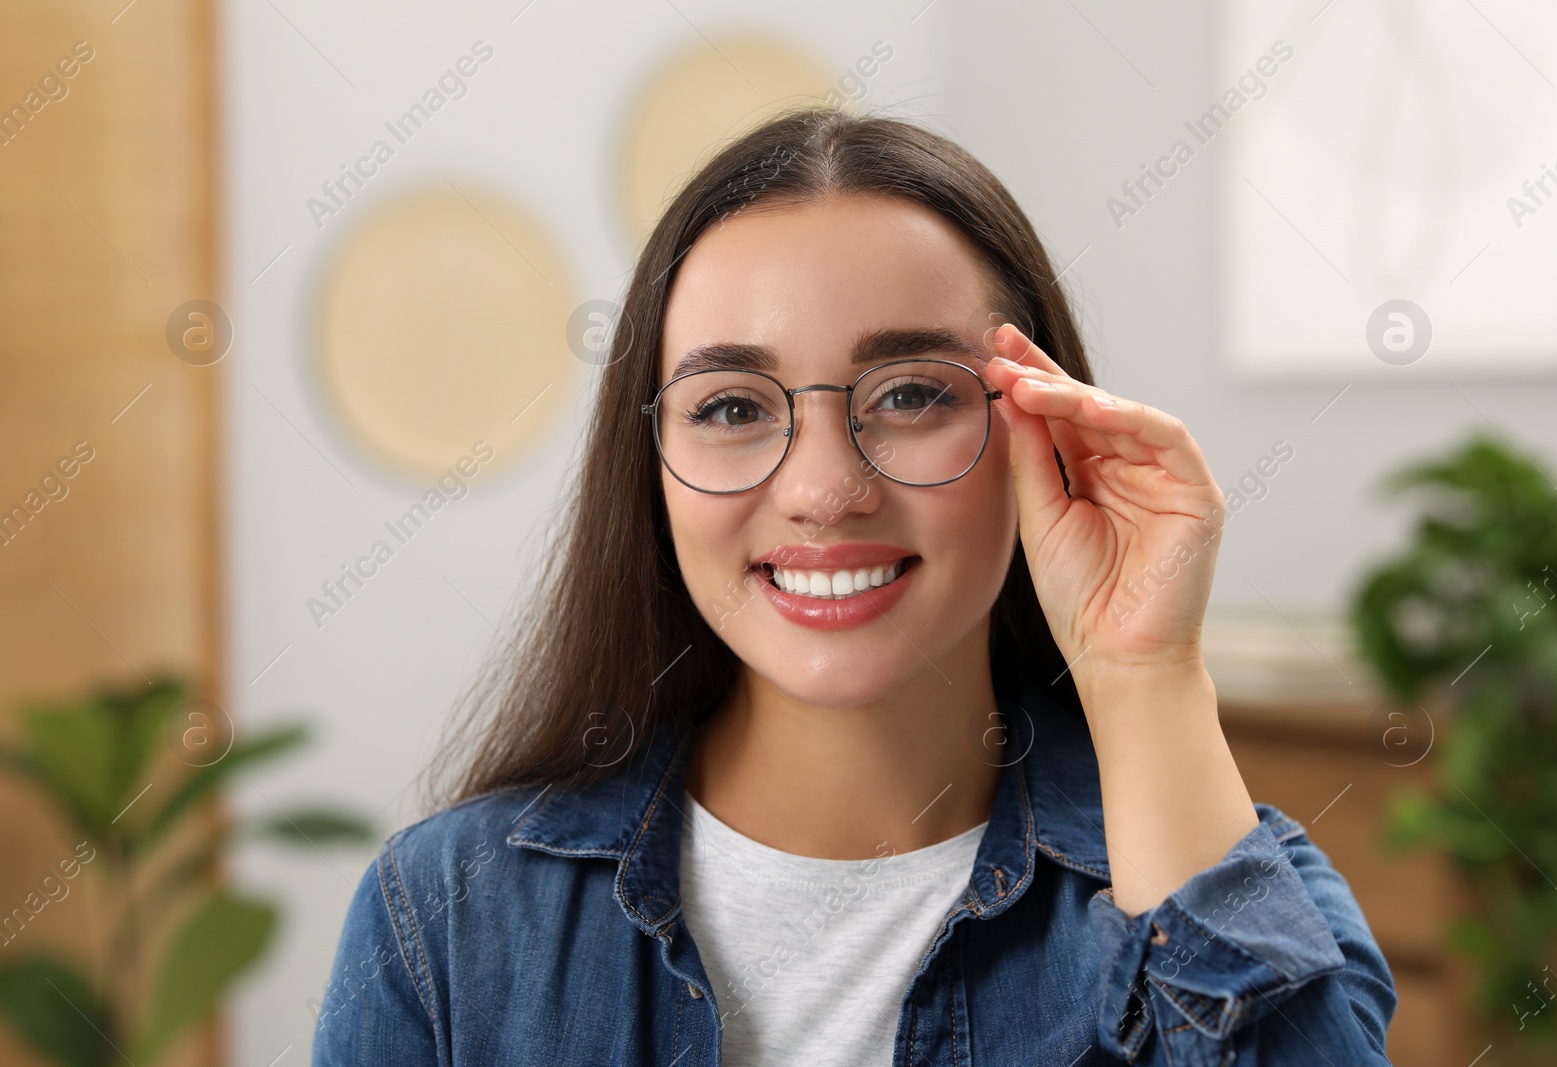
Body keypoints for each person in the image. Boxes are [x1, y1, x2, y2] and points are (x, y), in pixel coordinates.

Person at [309, 107, 1396, 1066]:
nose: (825, 488)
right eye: (732, 406)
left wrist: (1145, 671)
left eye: (913, 392)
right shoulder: (446, 916)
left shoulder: (1232, 890)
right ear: (648, 465)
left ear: (1043, 429)